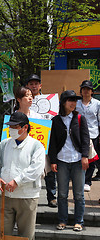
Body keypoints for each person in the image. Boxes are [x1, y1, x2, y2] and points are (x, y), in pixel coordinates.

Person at [0, 112, 45, 240]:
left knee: (26, 235)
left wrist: (17, 181)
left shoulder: (36, 146)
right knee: (0, 233)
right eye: (10, 126)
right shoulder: (4, 144)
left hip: (27, 196)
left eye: (15, 126)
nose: (12, 130)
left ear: (25, 128)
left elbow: (36, 169)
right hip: (5, 196)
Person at [49, 90, 90, 232]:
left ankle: (79, 221)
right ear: (63, 102)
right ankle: (62, 220)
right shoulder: (55, 120)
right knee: (62, 194)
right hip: (61, 161)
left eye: (75, 100)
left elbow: (85, 139)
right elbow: (52, 142)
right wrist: (53, 160)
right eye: (70, 100)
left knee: (79, 194)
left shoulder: (79, 118)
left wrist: (85, 156)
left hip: (78, 160)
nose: (73, 103)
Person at [26, 74, 57, 208]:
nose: (34, 86)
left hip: (45, 137)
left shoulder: (49, 101)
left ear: (40, 85)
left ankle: (51, 197)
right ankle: (29, 195)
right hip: (28, 139)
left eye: (36, 84)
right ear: (27, 86)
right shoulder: (24, 100)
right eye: (31, 84)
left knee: (48, 168)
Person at [76, 80, 100, 192]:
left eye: (88, 89)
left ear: (92, 91)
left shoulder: (97, 104)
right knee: (79, 157)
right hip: (79, 134)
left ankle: (87, 181)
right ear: (81, 91)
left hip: (93, 133)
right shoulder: (76, 103)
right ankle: (79, 179)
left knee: (91, 158)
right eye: (83, 89)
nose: (86, 91)